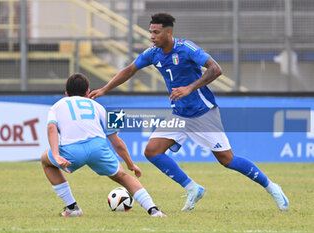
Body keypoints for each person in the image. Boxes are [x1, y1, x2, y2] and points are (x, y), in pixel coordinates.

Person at [89, 12, 289, 212]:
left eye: (156, 32)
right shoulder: (153, 53)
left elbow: (215, 69)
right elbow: (130, 69)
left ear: (169, 32)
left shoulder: (186, 48)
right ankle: (193, 188)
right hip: (179, 115)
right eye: (150, 32)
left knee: (227, 160)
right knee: (152, 151)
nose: (151, 36)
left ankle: (272, 187)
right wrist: (105, 89)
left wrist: (189, 88)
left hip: (203, 113)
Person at [41, 73, 166, 217]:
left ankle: (73, 208)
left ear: (66, 93)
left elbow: (51, 128)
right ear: (88, 92)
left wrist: (56, 155)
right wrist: (131, 164)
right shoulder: (100, 107)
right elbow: (117, 142)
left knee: (46, 162)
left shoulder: (57, 106)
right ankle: (153, 210)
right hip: (98, 147)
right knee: (123, 176)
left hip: (72, 150)